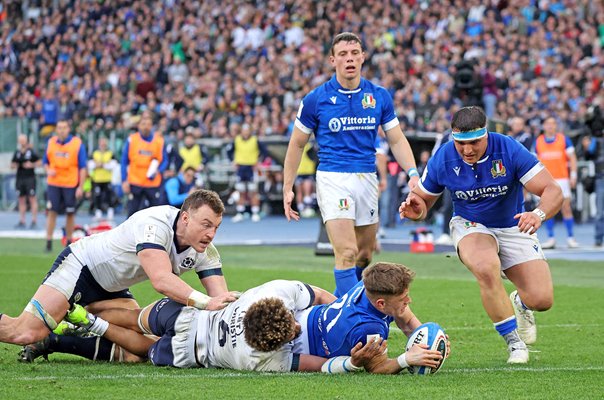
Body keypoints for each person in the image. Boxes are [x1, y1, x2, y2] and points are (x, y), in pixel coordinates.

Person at [26, 264, 443, 374]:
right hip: (190, 346)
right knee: (138, 352)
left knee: (136, 317)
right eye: (294, 327)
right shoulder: (263, 358)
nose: (298, 326)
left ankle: (80, 307)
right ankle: (85, 322)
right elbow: (324, 365)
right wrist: (358, 363)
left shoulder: (271, 294)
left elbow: (313, 295)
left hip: (191, 315)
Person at [400, 106, 563, 364]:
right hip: (470, 224)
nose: (467, 150)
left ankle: (520, 302)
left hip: (513, 225)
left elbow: (553, 190)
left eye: (474, 142)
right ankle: (515, 344)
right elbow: (423, 201)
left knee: (541, 300)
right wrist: (415, 210)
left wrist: (538, 214)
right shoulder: (444, 157)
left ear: (486, 135)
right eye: (460, 143)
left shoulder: (508, 149)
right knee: (486, 267)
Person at [0, 189, 239, 352]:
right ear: (185, 218)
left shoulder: (206, 250)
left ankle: (64, 330)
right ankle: (58, 325)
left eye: (216, 227)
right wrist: (206, 303)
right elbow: (161, 280)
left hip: (112, 287)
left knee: (140, 347)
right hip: (81, 267)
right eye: (206, 225)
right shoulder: (155, 224)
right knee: (23, 333)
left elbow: (220, 300)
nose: (211, 234)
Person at [282, 32, 419, 297]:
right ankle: (351, 321)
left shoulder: (378, 96)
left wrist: (413, 173)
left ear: (363, 57)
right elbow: (297, 144)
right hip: (333, 178)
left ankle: (336, 306)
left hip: (366, 178)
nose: (350, 59)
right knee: (346, 252)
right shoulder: (316, 99)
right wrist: (288, 187)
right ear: (333, 60)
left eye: (355, 53)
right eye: (343, 54)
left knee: (364, 256)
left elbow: (397, 139)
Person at [534, 117, 579, 249]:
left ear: (556, 126)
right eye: (548, 124)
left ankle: (571, 237)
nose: (550, 126)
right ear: (544, 126)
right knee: (546, 209)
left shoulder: (564, 139)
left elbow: (573, 158)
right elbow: (533, 162)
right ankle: (551, 238)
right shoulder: (538, 141)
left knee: (566, 207)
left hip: (562, 179)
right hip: (546, 181)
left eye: (553, 124)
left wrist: (574, 175)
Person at [43, 120, 87, 252]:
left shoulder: (77, 144)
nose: (61, 130)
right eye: (59, 127)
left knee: (70, 213)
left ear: (69, 129)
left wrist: (81, 186)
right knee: (52, 211)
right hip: (54, 183)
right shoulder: (51, 142)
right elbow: (45, 161)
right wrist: (47, 170)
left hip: (70, 184)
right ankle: (49, 241)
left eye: (64, 127)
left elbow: (83, 167)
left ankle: (68, 241)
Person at [121, 110, 168, 217]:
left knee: (155, 215)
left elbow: (165, 161)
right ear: (138, 125)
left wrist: (158, 170)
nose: (145, 127)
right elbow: (124, 161)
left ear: (152, 126)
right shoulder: (131, 140)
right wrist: (124, 180)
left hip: (152, 183)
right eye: (143, 124)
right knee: (132, 214)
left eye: (148, 124)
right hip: (135, 182)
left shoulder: (159, 141)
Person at [227, 124, 268, 223]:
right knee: (240, 191)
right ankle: (240, 213)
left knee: (253, 191)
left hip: (251, 168)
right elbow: (229, 151)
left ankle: (255, 213)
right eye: (244, 130)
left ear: (250, 131)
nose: (245, 132)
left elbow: (265, 152)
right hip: (240, 168)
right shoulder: (236, 140)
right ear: (241, 131)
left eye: (247, 130)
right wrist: (233, 161)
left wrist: (259, 162)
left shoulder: (255, 140)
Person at [11, 134, 41, 229]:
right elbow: (12, 163)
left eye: (23, 140)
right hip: (20, 178)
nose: (22, 142)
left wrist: (31, 164)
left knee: (32, 198)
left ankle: (34, 220)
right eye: (20, 140)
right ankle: (22, 220)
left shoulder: (31, 152)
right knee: (21, 199)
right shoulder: (17, 152)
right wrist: (14, 165)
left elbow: (40, 162)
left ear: (26, 140)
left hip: (30, 178)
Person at [88, 136, 117, 221]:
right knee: (97, 197)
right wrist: (97, 165)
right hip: (97, 179)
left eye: (104, 142)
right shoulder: (95, 153)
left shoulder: (110, 153)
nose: (103, 144)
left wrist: (103, 165)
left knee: (109, 196)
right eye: (101, 142)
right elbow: (90, 164)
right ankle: (98, 213)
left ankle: (110, 212)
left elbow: (113, 165)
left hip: (107, 179)